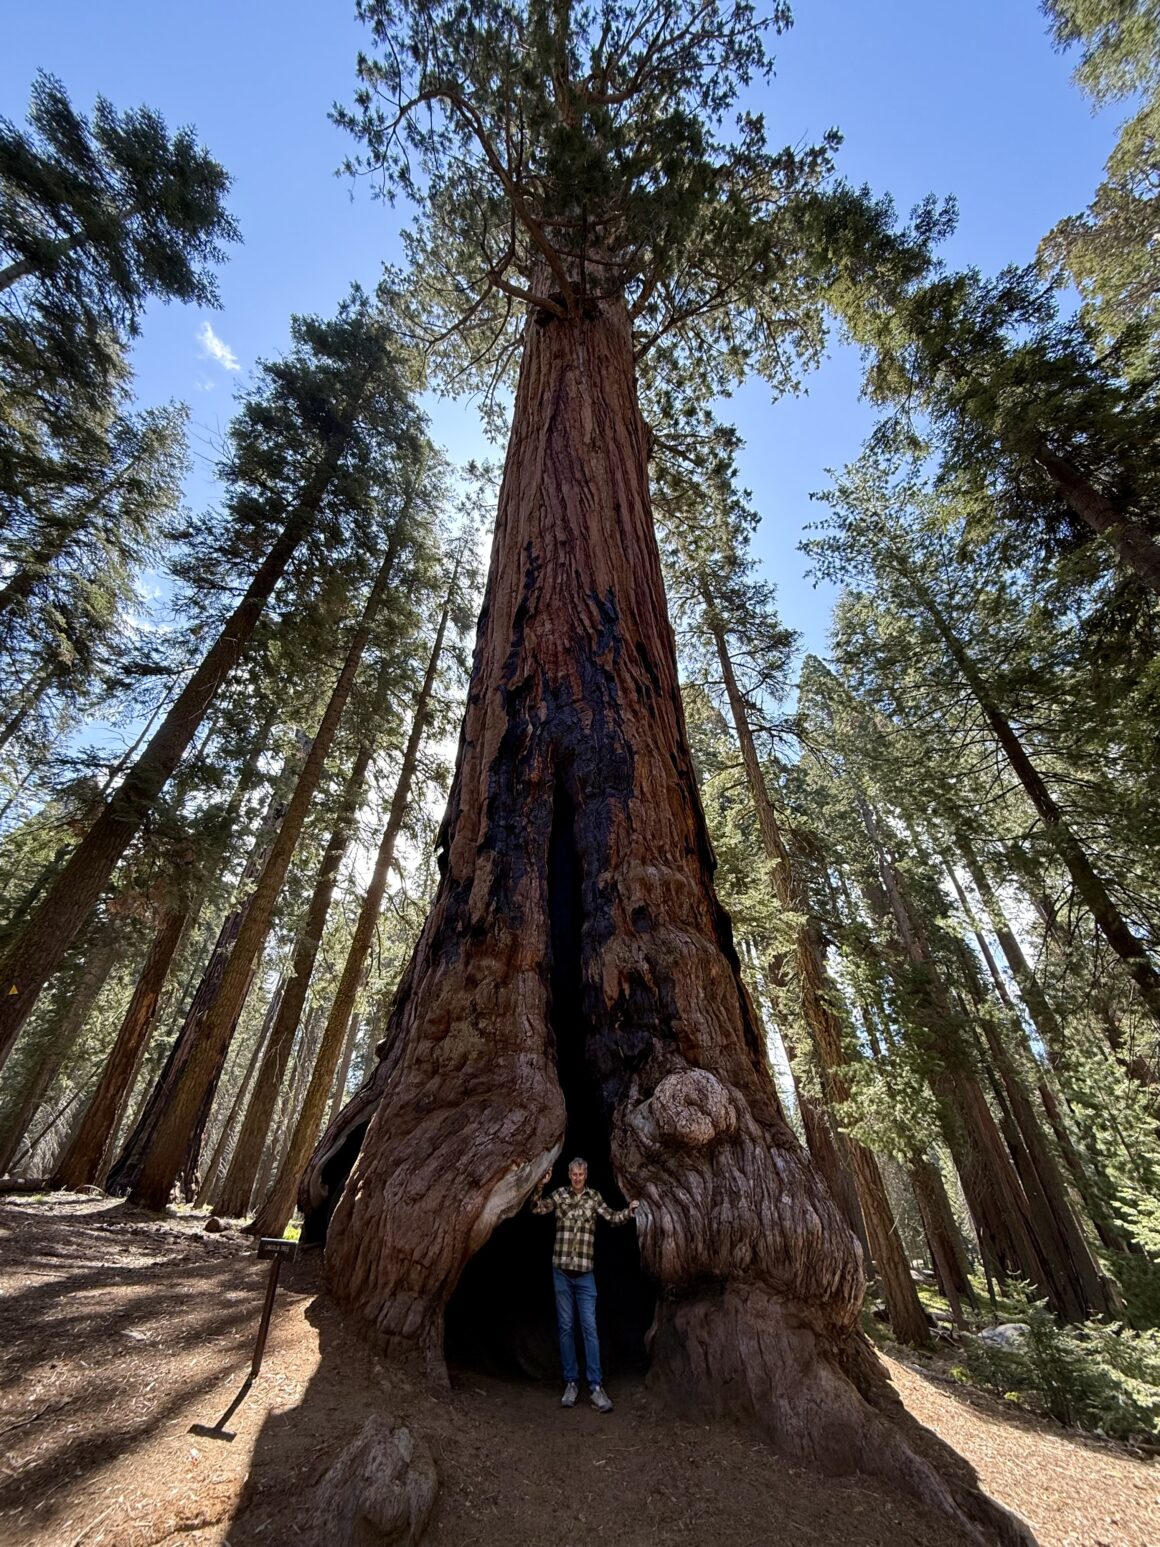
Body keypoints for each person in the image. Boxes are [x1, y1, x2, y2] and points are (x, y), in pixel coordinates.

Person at [530, 1156, 639, 1413]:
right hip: (562, 1274)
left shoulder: (594, 1198)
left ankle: (596, 1387)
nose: (577, 1178)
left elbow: (612, 1217)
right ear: (569, 1175)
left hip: (585, 1275)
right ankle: (570, 1383)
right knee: (566, 1328)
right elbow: (536, 1208)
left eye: (581, 1174)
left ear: (586, 1175)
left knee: (589, 1328)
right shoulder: (559, 1195)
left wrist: (630, 1211)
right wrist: (540, 1185)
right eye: (574, 1174)